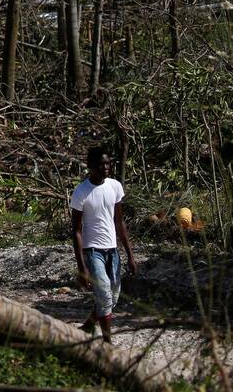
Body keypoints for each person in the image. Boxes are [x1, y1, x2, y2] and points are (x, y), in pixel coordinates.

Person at [70, 146, 137, 342]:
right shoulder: (81, 192)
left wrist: (130, 255)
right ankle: (107, 341)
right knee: (105, 293)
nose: (105, 167)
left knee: (112, 297)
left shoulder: (115, 186)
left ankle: (90, 324)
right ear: (90, 166)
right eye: (101, 164)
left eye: (108, 163)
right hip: (93, 251)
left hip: (112, 251)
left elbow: (119, 221)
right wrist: (81, 266)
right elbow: (76, 230)